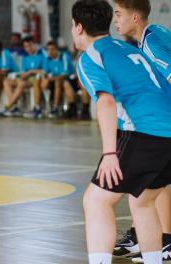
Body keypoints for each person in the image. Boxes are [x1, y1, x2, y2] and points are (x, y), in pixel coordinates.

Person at [72, 1, 171, 264]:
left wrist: (109, 153)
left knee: (96, 201)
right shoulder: (128, 49)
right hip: (167, 132)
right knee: (142, 201)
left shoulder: (91, 56)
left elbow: (105, 102)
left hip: (145, 132)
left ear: (77, 27)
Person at [111, 0, 171, 261]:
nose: (115, 20)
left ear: (135, 17)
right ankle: (149, 236)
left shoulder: (152, 41)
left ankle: (165, 241)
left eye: (118, 14)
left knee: (150, 180)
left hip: (161, 124)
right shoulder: (147, 38)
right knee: (152, 181)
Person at [0, 36, 46, 118]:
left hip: (37, 79)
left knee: (21, 84)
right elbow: (24, 71)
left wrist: (31, 72)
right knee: (6, 81)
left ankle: (9, 106)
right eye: (26, 47)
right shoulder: (25, 57)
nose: (28, 48)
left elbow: (45, 71)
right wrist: (21, 75)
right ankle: (14, 106)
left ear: (35, 44)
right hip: (27, 79)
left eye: (30, 45)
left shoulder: (42, 54)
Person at [42, 41, 76, 119]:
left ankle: (56, 107)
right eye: (48, 50)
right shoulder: (48, 59)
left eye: (52, 49)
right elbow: (45, 72)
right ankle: (45, 106)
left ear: (57, 50)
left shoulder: (64, 57)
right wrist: (45, 79)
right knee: (43, 82)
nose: (50, 52)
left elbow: (65, 74)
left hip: (70, 79)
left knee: (59, 82)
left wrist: (50, 79)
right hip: (56, 80)